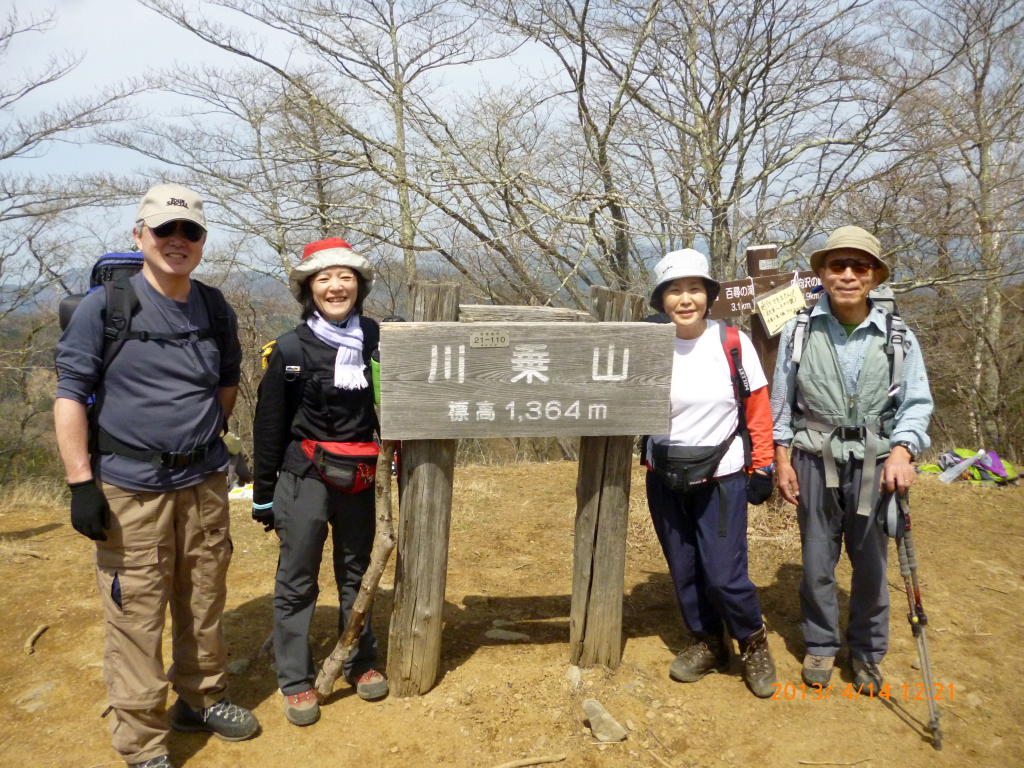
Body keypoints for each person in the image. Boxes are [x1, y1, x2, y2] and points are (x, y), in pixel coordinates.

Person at [54, 184, 259, 768]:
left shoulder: (215, 307)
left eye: (189, 231)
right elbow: (69, 395)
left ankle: (201, 696)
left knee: (203, 594)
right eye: (165, 229)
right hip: (129, 490)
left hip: (203, 484)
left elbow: (226, 382)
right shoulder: (106, 308)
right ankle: (141, 742)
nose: (177, 240)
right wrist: (81, 484)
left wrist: (203, 444)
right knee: (136, 613)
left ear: (201, 241)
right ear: (138, 235)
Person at [771, 226, 933, 692]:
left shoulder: (898, 336)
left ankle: (865, 651)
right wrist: (782, 459)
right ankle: (821, 643)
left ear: (874, 276)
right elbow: (782, 401)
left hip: (876, 463)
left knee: (872, 565)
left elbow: (916, 403)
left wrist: (902, 450)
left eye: (859, 266)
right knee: (817, 560)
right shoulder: (799, 330)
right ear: (821, 273)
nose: (847, 274)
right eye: (836, 265)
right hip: (813, 456)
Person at [252, 237, 386, 727]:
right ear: (309, 288)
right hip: (303, 475)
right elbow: (269, 425)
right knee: (297, 577)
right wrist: (264, 495)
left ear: (360, 286)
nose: (336, 286)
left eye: (346, 277)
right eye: (324, 278)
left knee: (357, 570)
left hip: (360, 474)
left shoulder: (374, 337)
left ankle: (359, 658)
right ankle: (295, 678)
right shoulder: (289, 348)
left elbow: (393, 403)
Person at [645, 248, 778, 698]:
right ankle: (707, 641)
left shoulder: (732, 344)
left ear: (708, 295)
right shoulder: (650, 345)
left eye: (695, 289)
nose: (686, 299)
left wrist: (763, 465)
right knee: (683, 568)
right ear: (662, 300)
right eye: (675, 291)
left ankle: (753, 640)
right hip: (664, 472)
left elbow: (758, 409)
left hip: (722, 474)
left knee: (723, 572)